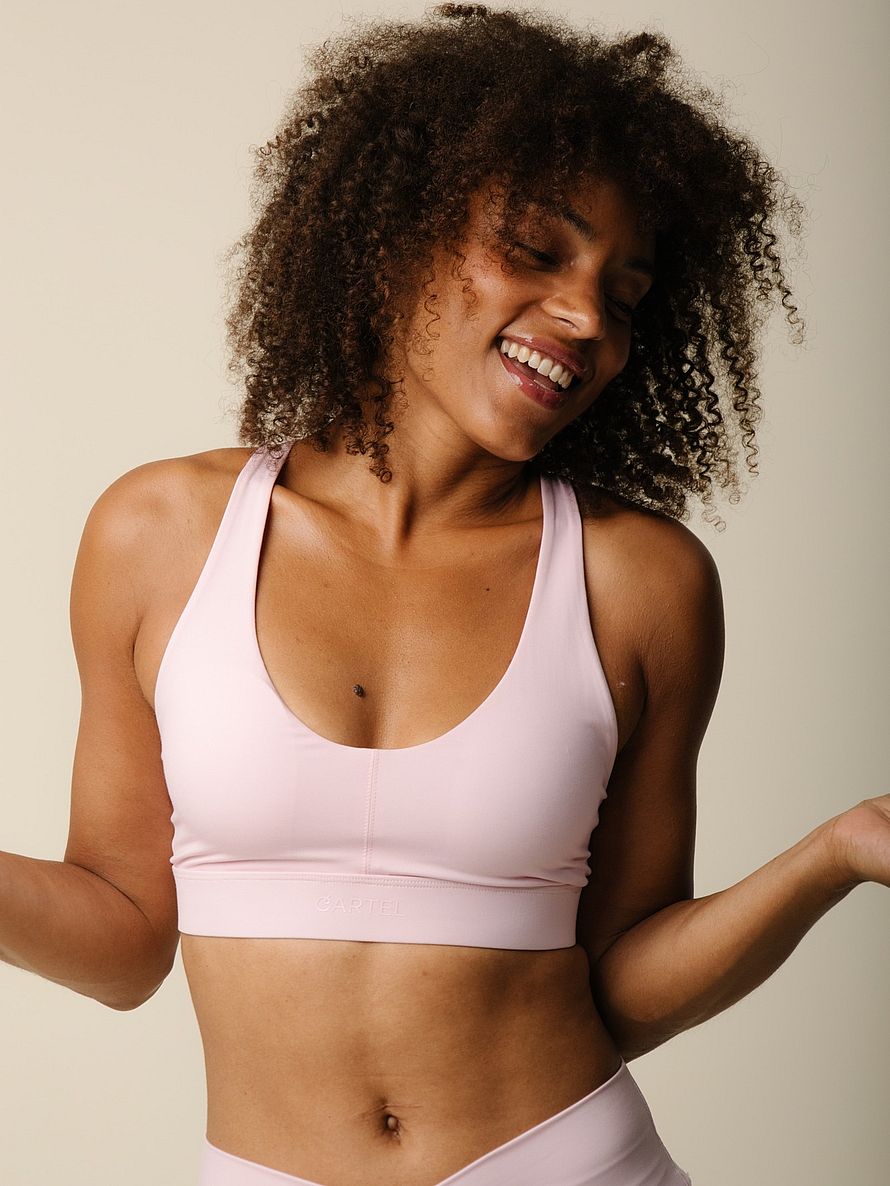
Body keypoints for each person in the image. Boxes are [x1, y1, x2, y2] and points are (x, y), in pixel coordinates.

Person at [1, 5, 887, 1184]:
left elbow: (619, 983)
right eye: (537, 250)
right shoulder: (160, 535)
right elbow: (122, 941)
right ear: (397, 235)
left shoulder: (638, 583)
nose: (585, 318)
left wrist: (835, 852)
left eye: (622, 296)